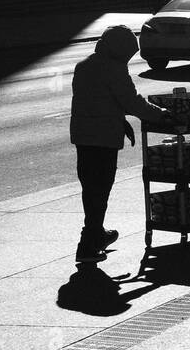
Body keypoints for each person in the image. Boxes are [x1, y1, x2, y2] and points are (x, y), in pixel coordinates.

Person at [69, 25, 171, 263]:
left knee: (91, 189)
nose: (128, 59)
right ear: (118, 49)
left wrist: (120, 120)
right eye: (127, 53)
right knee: (100, 189)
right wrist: (161, 114)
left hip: (84, 138)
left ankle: (96, 233)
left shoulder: (84, 66)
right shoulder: (113, 69)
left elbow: (97, 101)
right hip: (102, 140)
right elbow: (132, 101)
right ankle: (88, 244)